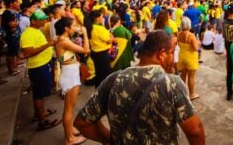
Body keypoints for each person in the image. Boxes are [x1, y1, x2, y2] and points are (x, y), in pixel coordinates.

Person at [74, 30, 205, 144]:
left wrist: (108, 139)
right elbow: (195, 131)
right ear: (162, 54)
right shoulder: (172, 84)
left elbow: (82, 122)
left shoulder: (113, 79)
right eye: (171, 53)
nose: (173, 58)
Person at [20, 9, 61, 131]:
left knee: (38, 93)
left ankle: (38, 114)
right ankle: (42, 121)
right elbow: (27, 53)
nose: (45, 20)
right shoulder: (28, 34)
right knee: (39, 95)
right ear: (33, 21)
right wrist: (48, 44)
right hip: (38, 67)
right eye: (42, 19)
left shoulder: (35, 30)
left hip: (42, 65)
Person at [54, 17, 90, 145]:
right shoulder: (64, 41)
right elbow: (86, 50)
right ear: (66, 28)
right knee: (69, 108)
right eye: (73, 26)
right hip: (69, 75)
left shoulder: (63, 39)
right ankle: (69, 138)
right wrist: (85, 33)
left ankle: (70, 130)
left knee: (71, 107)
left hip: (70, 73)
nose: (75, 28)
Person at [85, 10, 113, 87]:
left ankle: (98, 90)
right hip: (102, 54)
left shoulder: (90, 27)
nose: (103, 18)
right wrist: (111, 36)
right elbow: (109, 41)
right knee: (105, 75)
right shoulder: (99, 29)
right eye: (101, 17)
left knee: (99, 74)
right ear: (97, 18)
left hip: (95, 53)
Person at [177, 17, 200, 100]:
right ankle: (191, 94)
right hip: (190, 58)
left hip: (182, 56)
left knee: (183, 75)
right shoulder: (191, 35)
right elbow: (196, 48)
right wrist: (198, 43)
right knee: (191, 77)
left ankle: (183, 92)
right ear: (189, 25)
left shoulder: (179, 34)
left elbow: (179, 45)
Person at [1, 0, 22, 75]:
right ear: (11, 4)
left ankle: (14, 65)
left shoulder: (12, 12)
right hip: (10, 36)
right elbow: (12, 24)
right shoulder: (8, 13)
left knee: (14, 51)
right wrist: (18, 22)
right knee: (11, 52)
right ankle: (11, 69)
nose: (18, 3)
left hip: (15, 35)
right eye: (16, 2)